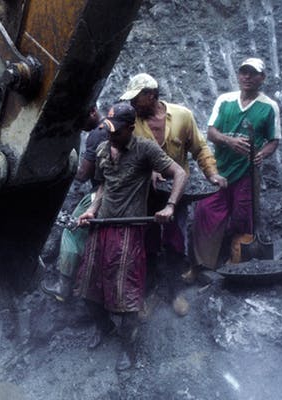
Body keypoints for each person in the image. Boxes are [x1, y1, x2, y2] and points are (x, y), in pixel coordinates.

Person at [72, 102, 186, 370]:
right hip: (102, 226)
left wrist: (169, 206)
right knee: (88, 288)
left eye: (117, 131)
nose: (111, 135)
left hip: (129, 229)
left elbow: (179, 173)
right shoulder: (102, 149)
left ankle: (129, 347)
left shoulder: (145, 149)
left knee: (125, 296)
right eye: (109, 129)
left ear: (130, 129)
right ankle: (104, 329)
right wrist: (90, 209)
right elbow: (102, 186)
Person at [119, 73, 227, 278]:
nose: (132, 102)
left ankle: (174, 288)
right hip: (145, 191)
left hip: (177, 190)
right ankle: (150, 284)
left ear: (151, 95)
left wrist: (212, 174)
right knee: (146, 238)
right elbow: (124, 154)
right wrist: (148, 170)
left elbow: (200, 148)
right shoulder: (131, 121)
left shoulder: (182, 115)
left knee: (175, 236)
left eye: (136, 98)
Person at [191, 57, 281, 270]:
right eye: (243, 72)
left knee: (243, 216)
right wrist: (229, 141)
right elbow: (211, 133)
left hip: (247, 173)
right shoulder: (225, 100)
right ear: (238, 75)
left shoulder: (269, 107)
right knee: (206, 212)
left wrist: (262, 154)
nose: (247, 77)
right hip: (220, 170)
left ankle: (237, 264)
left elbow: (274, 141)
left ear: (262, 78)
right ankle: (202, 265)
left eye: (253, 73)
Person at [40, 104, 104, 301]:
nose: (78, 126)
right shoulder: (113, 128)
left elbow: (83, 174)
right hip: (120, 191)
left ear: (93, 112)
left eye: (81, 120)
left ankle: (63, 287)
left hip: (103, 191)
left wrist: (62, 166)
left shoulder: (97, 135)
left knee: (71, 231)